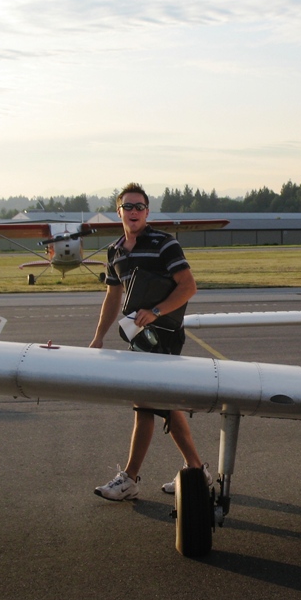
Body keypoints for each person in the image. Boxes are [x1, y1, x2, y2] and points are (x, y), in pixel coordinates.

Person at [89, 182, 212, 500]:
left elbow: (188, 286)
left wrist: (156, 311)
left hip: (165, 335)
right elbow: (112, 297)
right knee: (157, 402)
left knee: (147, 401)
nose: (133, 212)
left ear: (147, 211)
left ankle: (131, 478)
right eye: (127, 207)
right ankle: (196, 471)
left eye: (139, 206)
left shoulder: (164, 244)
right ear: (118, 211)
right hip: (138, 335)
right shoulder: (115, 250)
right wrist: (98, 337)